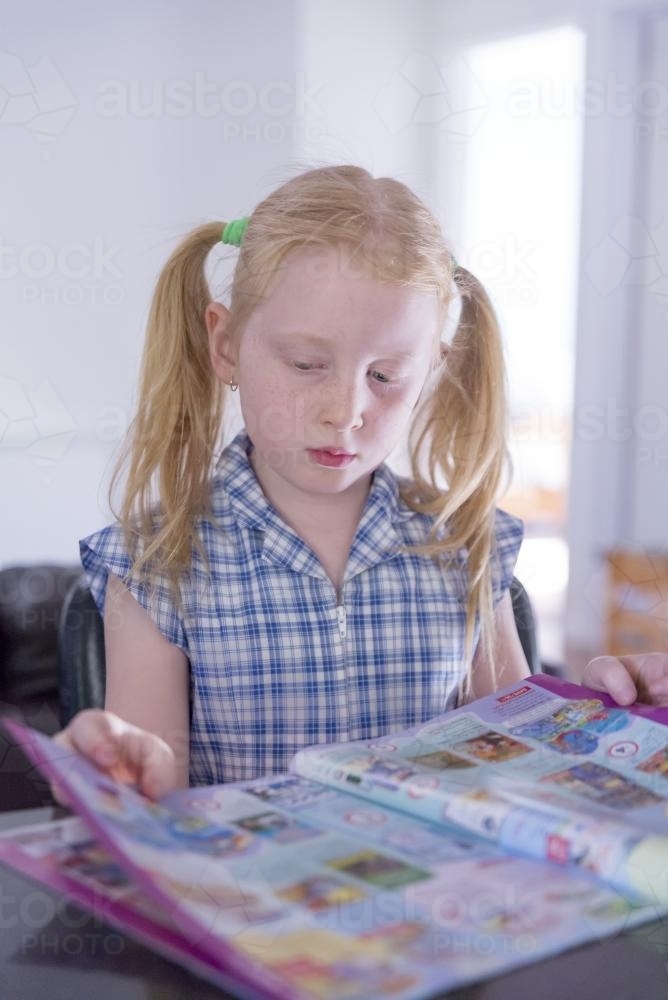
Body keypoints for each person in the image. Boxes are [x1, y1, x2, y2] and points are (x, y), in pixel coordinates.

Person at [52, 164, 668, 803]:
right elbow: (149, 798)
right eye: (306, 364)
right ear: (226, 344)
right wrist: (119, 773)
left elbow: (527, 775)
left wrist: (614, 727)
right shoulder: (158, 564)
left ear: (432, 367)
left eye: (386, 375)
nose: (345, 411)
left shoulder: (464, 546)